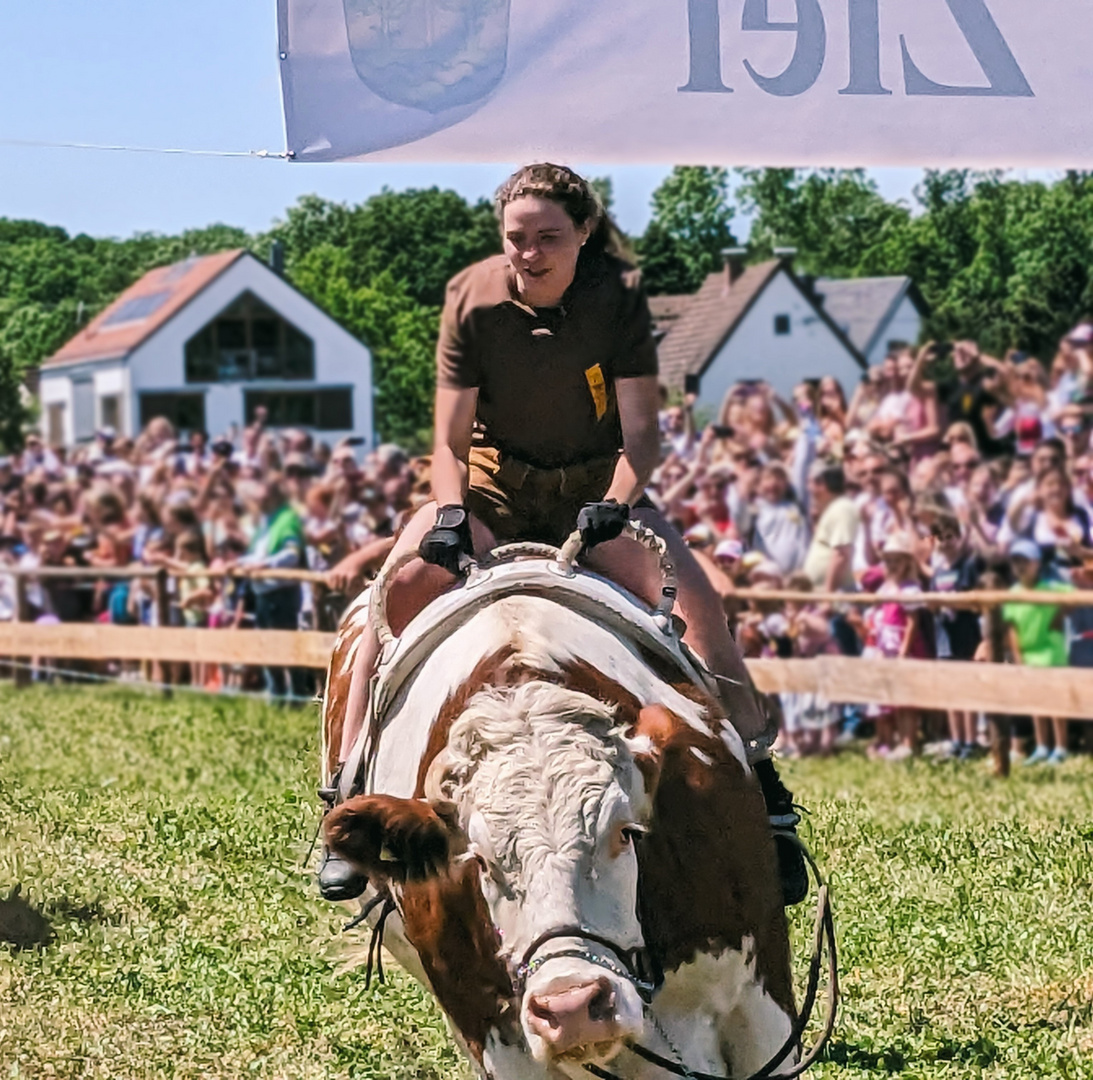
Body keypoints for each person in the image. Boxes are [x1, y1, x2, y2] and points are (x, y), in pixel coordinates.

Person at [319, 163, 807, 906]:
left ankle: (761, 784)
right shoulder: (472, 298)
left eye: (548, 236)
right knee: (394, 591)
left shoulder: (619, 295)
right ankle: (347, 789)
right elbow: (447, 441)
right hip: (491, 487)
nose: (529, 252)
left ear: (582, 232)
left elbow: (641, 436)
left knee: (700, 608)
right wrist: (448, 512)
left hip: (591, 489)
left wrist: (616, 500)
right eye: (516, 238)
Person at [1002, 539, 1074, 765]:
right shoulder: (1013, 592)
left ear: (1037, 564)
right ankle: (1042, 747)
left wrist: (1060, 614)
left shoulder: (1050, 588)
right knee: (1036, 703)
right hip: (1029, 654)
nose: (1020, 566)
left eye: (1025, 561)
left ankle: (1061, 747)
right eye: (1016, 561)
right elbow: (1011, 627)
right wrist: (1018, 656)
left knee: (1055, 703)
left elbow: (1074, 597)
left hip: (1051, 652)